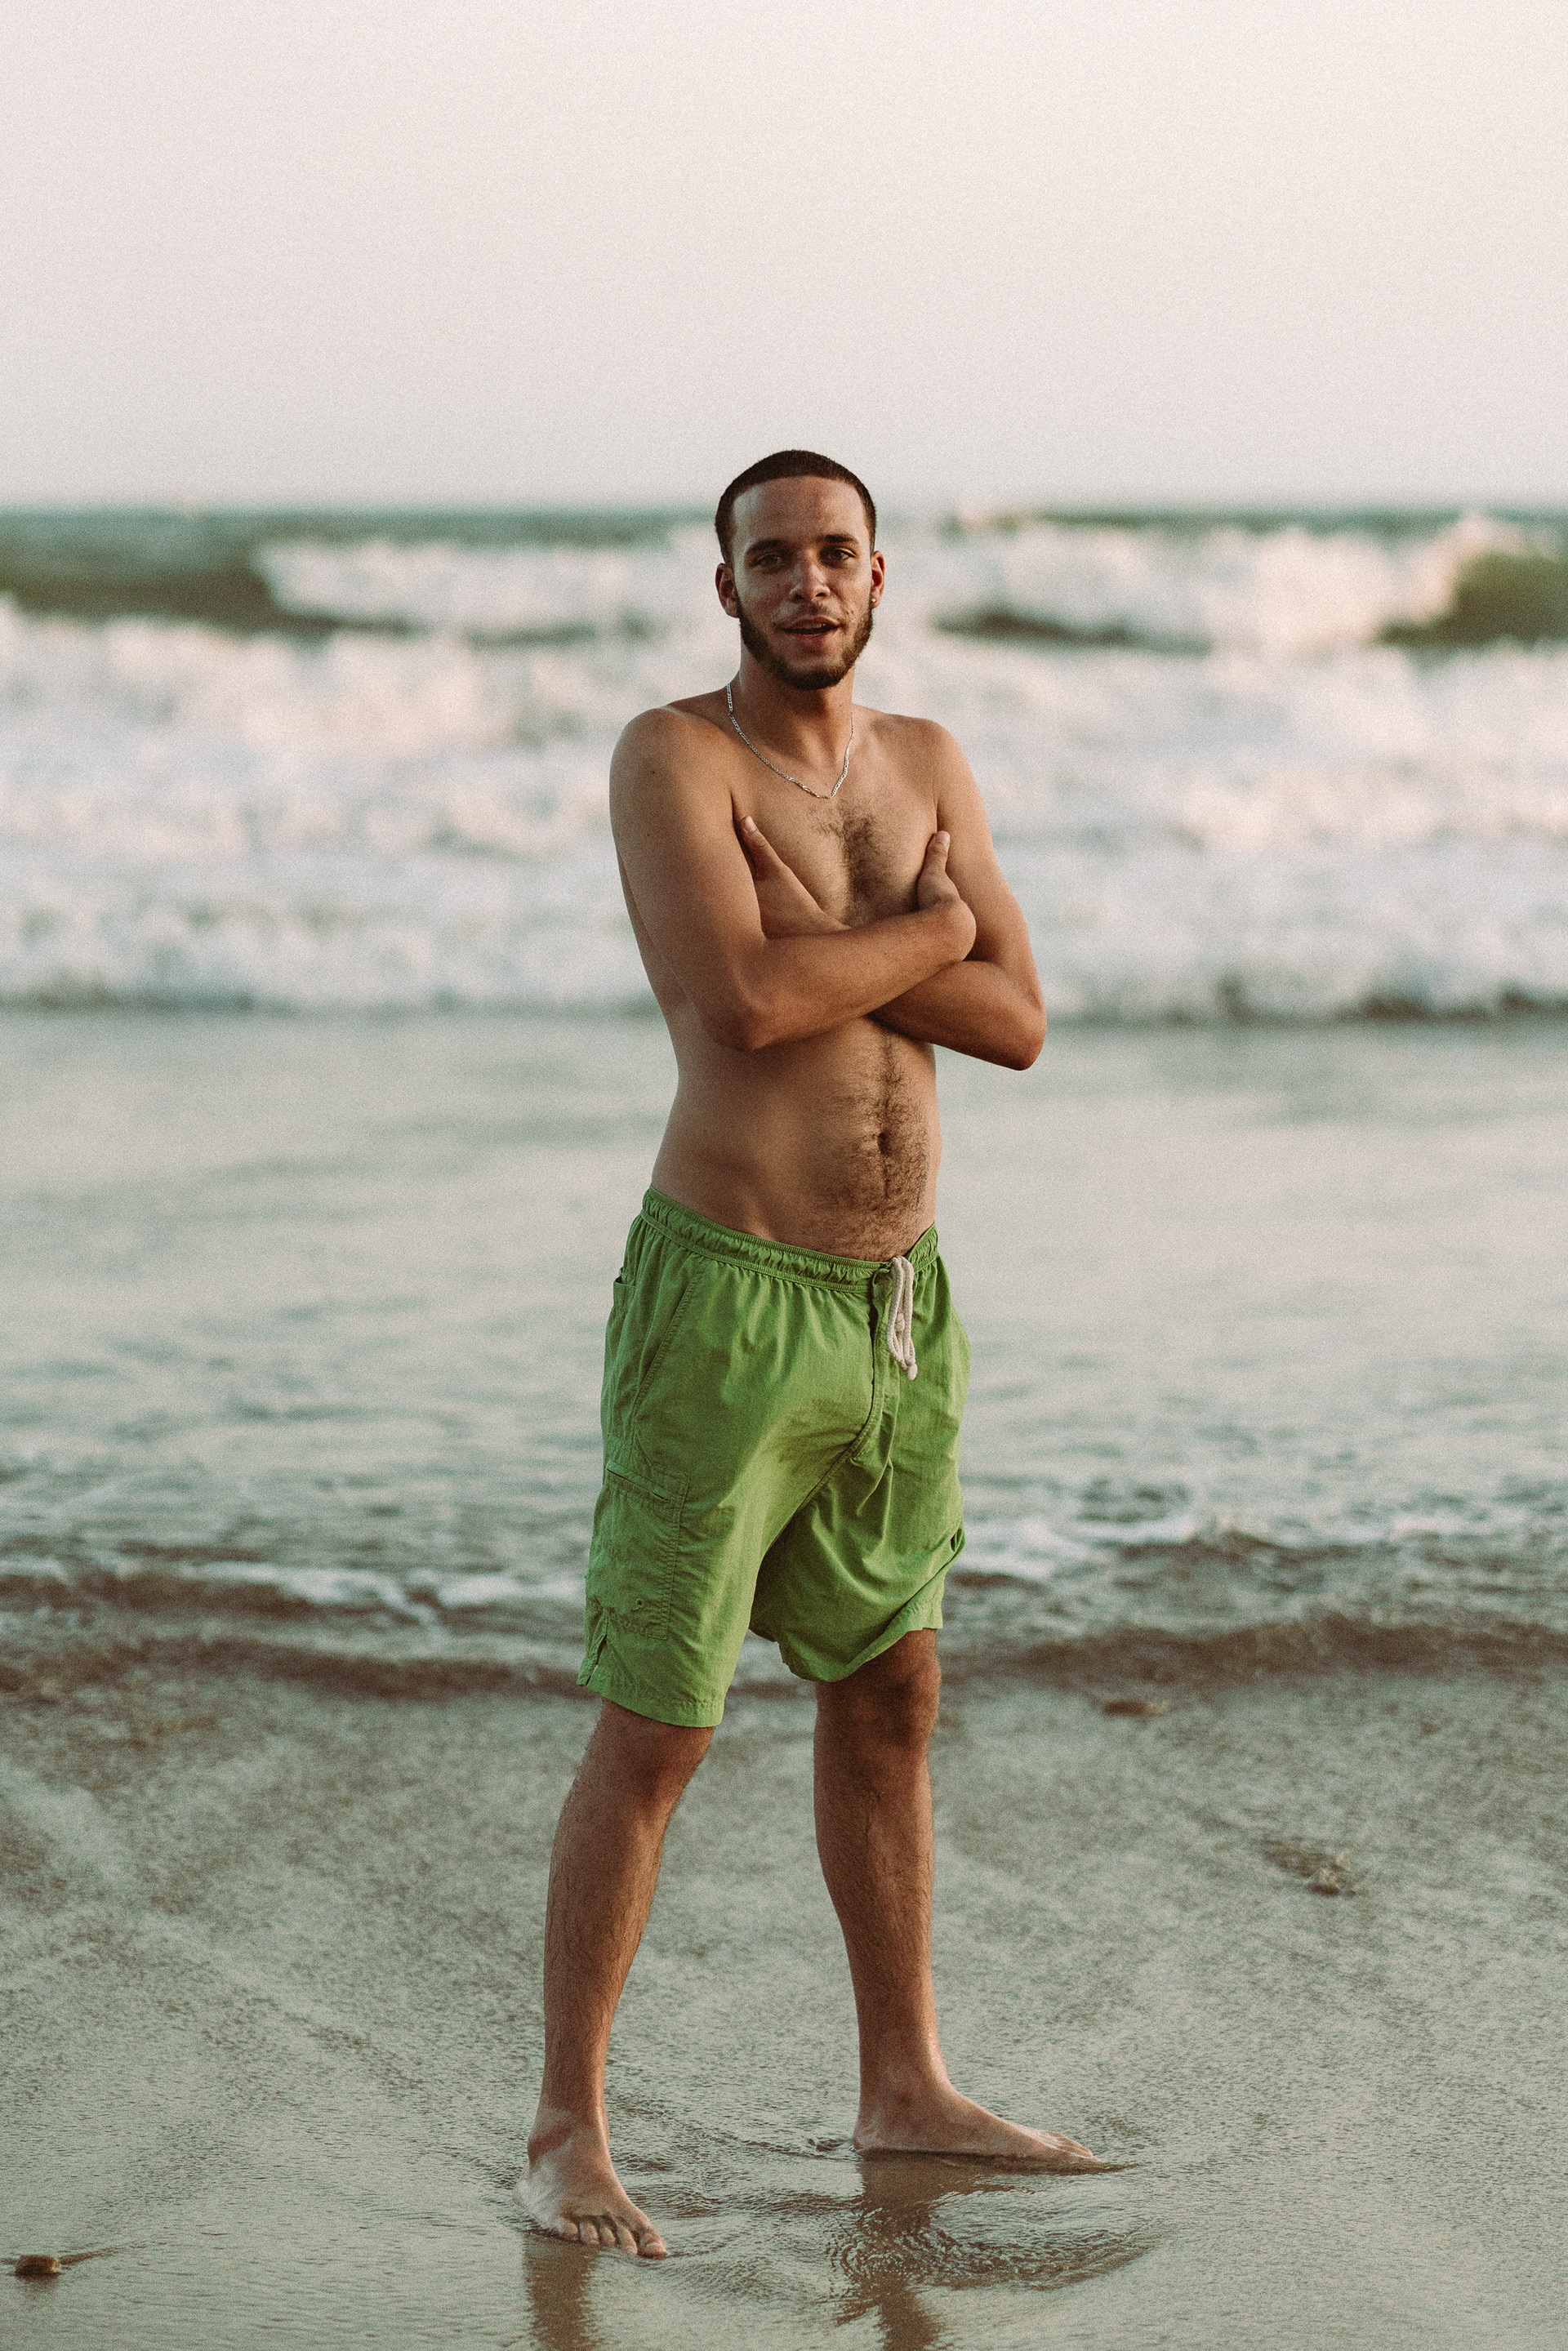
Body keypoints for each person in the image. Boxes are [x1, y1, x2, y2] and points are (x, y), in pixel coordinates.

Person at [519, 450, 1103, 2260]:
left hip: (898, 1307)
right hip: (731, 1301)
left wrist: (847, 936)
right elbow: (747, 1000)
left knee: (892, 1688)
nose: (806, 580)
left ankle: (903, 2086)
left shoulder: (930, 760)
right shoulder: (671, 759)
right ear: (728, 588)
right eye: (770, 557)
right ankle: (566, 2130)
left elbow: (1018, 1022)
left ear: (877, 573)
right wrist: (927, 926)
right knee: (662, 1719)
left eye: (834, 551)